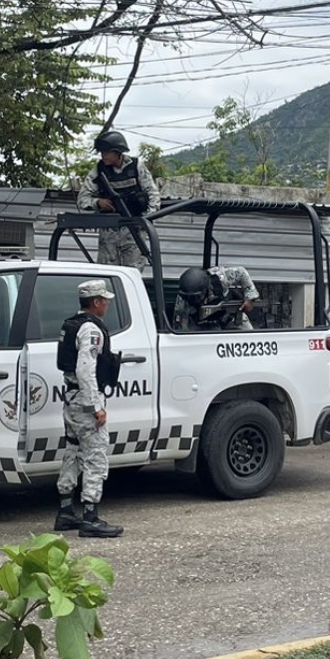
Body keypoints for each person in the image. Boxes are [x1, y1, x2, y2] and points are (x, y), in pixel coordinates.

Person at [52, 279, 123, 537]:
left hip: (70, 401)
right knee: (95, 455)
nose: (106, 304)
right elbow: (85, 369)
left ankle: (66, 510)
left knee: (72, 451)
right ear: (95, 302)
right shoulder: (91, 330)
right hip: (84, 402)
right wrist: (96, 406)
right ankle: (90, 516)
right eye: (104, 300)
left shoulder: (72, 324)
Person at [77, 129, 160, 271]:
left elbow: (153, 195)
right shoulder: (99, 170)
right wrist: (98, 203)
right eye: (102, 152)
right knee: (106, 272)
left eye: (107, 152)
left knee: (132, 272)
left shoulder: (136, 166)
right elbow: (82, 198)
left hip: (134, 229)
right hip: (110, 230)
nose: (103, 156)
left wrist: (145, 220)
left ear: (118, 152)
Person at [173, 265, 260, 331]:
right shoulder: (183, 298)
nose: (192, 299)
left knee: (249, 337)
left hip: (229, 315)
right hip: (203, 322)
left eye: (196, 297)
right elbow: (180, 324)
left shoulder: (220, 279)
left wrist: (250, 298)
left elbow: (241, 272)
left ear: (205, 289)